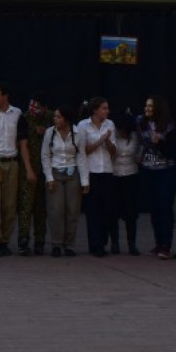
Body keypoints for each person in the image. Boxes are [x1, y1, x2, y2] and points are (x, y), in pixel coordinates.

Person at [137, 95, 176, 259]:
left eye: (150, 106)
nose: (146, 109)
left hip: (166, 171)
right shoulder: (143, 124)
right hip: (149, 170)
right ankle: (158, 243)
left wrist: (159, 143)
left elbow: (174, 153)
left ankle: (166, 245)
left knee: (164, 208)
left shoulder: (170, 127)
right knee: (154, 208)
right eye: (146, 106)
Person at [0, 82, 24, 256]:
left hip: (11, 162)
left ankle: (5, 240)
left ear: (5, 96)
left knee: (9, 204)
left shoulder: (17, 113)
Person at [77, 97, 116, 257]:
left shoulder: (110, 125)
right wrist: (101, 140)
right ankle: (95, 244)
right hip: (91, 172)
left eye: (107, 108)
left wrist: (108, 142)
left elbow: (114, 151)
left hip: (106, 171)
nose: (107, 111)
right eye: (104, 108)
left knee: (106, 209)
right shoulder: (83, 125)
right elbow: (83, 150)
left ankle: (103, 241)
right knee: (93, 210)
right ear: (94, 110)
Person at [41, 105, 83, 258]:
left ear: (66, 119)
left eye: (58, 117)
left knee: (73, 210)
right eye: (55, 117)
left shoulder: (77, 133)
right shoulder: (50, 133)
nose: (55, 119)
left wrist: (85, 181)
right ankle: (57, 244)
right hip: (55, 173)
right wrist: (49, 178)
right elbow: (45, 156)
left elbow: (81, 156)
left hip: (73, 173)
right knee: (56, 210)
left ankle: (70, 244)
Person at [17, 92, 53, 256]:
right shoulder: (24, 118)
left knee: (41, 208)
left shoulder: (52, 118)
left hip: (48, 168)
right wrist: (29, 169)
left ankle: (40, 240)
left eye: (38, 107)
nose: (34, 110)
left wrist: (45, 131)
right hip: (28, 168)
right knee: (26, 206)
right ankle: (23, 239)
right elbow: (22, 145)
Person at [108, 113, 141, 256]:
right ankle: (114, 243)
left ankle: (132, 244)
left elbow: (139, 155)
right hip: (114, 175)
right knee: (113, 211)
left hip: (131, 175)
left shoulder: (135, 136)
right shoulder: (112, 135)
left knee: (131, 213)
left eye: (125, 130)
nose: (122, 132)